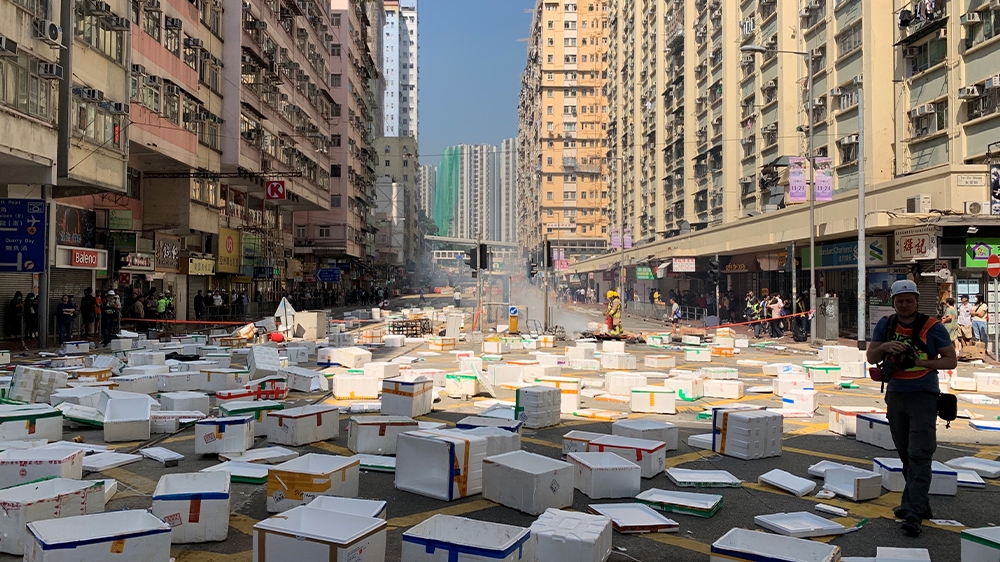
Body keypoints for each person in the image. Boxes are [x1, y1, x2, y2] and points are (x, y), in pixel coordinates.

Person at [867, 280, 957, 537]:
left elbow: (951, 360)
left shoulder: (933, 327)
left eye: (909, 300)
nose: (904, 305)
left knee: (920, 453)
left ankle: (913, 513)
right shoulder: (886, 325)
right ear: (893, 303)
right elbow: (871, 357)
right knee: (906, 452)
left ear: (917, 301)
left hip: (923, 395)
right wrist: (885, 347)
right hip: (896, 395)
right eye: (899, 301)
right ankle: (920, 503)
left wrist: (920, 361)